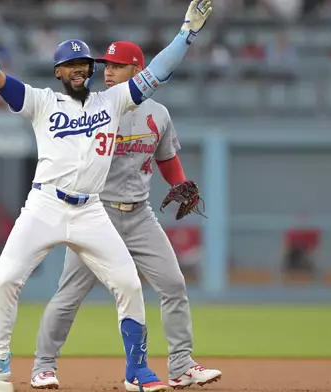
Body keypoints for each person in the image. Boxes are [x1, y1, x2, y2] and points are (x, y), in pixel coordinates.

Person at [0, 1, 212, 390]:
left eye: (85, 64)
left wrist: (186, 33)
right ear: (59, 72)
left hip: (91, 212)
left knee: (128, 285)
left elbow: (159, 71)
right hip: (45, 204)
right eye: (71, 64)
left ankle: (137, 369)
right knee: (8, 276)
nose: (80, 69)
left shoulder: (111, 101)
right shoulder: (42, 101)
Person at [29, 41, 221, 391]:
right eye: (107, 67)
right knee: (69, 295)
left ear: (137, 71)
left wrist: (179, 182)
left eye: (117, 66)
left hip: (139, 215)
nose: (109, 73)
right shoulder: (97, 108)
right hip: (96, 214)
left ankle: (180, 364)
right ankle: (43, 366)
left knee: (174, 285)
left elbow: (165, 158)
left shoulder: (158, 114)